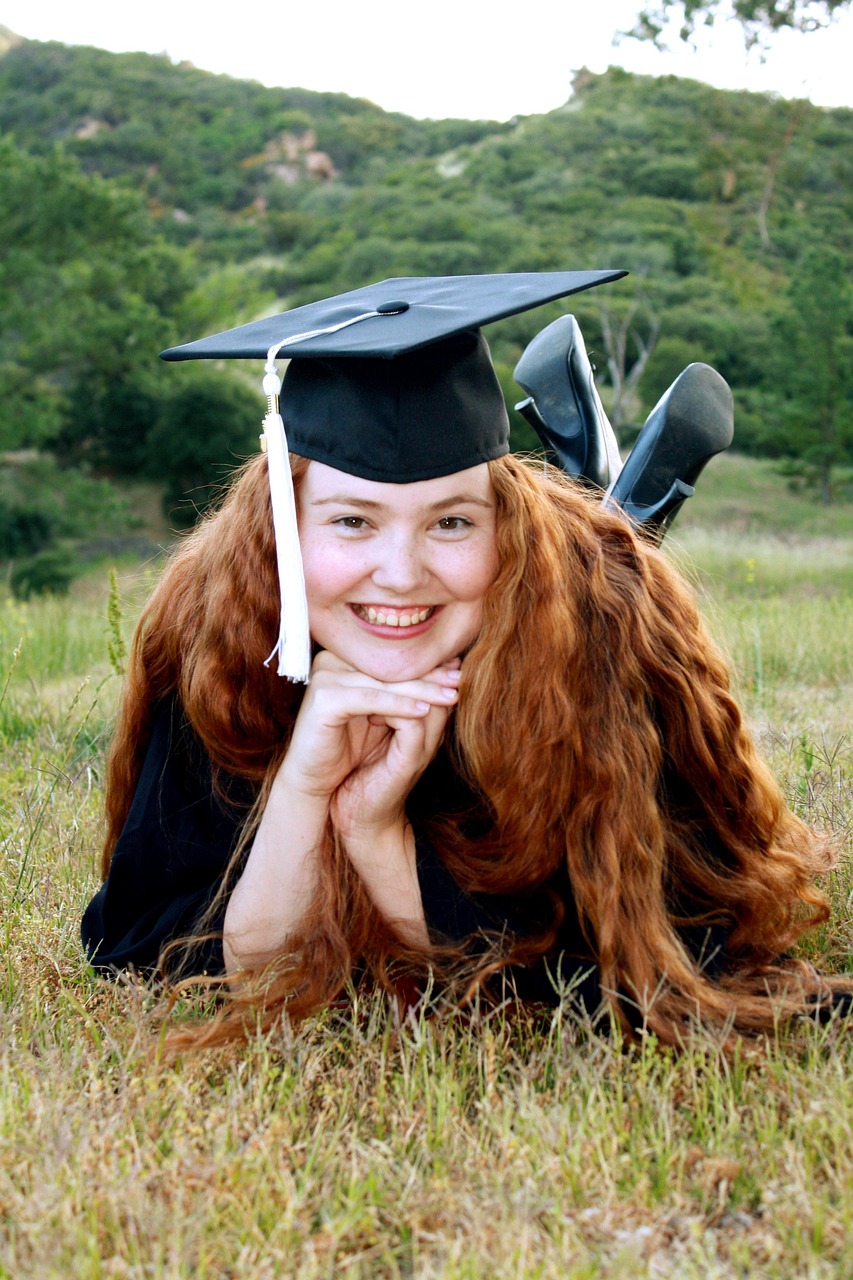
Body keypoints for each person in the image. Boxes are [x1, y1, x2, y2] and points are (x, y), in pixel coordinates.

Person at [82, 272, 845, 1048]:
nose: (401, 572)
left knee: (608, 565)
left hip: (568, 595)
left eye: (451, 521)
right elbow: (172, 953)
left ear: (504, 525)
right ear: (280, 525)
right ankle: (602, 482)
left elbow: (646, 960)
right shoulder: (217, 637)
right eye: (351, 521)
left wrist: (377, 837)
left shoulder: (606, 634)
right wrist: (304, 787)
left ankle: (607, 502)